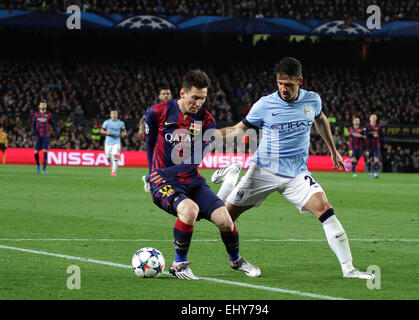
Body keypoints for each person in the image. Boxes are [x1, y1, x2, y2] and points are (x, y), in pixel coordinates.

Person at [211, 57, 374, 280]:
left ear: (300, 81)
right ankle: (235, 257)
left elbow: (321, 119)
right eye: (280, 83)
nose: (284, 89)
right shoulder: (264, 104)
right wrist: (207, 137)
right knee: (224, 218)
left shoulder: (312, 100)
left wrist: (333, 150)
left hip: (296, 173)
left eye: (289, 84)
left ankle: (349, 268)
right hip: (263, 172)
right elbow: (238, 130)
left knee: (325, 209)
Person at [145, 69, 260, 280]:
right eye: (195, 98)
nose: (198, 103)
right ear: (182, 93)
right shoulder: (158, 112)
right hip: (164, 184)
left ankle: (235, 260)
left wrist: (164, 171)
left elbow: (195, 160)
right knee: (190, 210)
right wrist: (152, 173)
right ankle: (179, 264)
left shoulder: (206, 121)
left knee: (225, 220)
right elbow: (150, 141)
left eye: (203, 98)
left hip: (191, 180)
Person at [139, 86, 173, 192]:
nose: (166, 96)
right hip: (154, 141)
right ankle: (153, 183)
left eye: (168, 94)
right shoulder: (154, 108)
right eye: (164, 94)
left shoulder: (175, 108)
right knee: (153, 167)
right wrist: (141, 129)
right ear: (159, 96)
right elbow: (143, 119)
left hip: (168, 141)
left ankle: (148, 178)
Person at [32, 101, 59, 174]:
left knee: (45, 151)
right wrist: (33, 131)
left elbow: (53, 124)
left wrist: (57, 132)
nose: (43, 105)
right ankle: (38, 165)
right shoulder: (36, 114)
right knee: (36, 152)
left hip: (45, 136)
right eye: (41, 104)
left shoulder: (49, 114)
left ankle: (44, 169)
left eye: (44, 104)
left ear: (46, 106)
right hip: (38, 136)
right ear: (39, 106)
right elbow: (33, 124)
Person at [100, 109, 126, 176]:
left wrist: (124, 134)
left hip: (117, 141)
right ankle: (111, 163)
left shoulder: (120, 123)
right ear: (110, 115)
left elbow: (124, 131)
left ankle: (113, 172)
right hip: (108, 141)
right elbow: (101, 130)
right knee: (108, 157)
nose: (114, 115)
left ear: (117, 114)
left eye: (115, 113)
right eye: (112, 113)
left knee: (115, 155)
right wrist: (106, 132)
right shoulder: (107, 122)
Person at [365, 114, 384, 179]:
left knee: (376, 159)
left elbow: (382, 135)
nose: (373, 120)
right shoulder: (367, 126)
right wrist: (372, 134)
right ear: (370, 119)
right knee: (369, 160)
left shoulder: (378, 126)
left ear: (375, 120)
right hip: (369, 146)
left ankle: (376, 173)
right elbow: (365, 134)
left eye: (374, 119)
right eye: (372, 119)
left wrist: (383, 142)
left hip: (376, 145)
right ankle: (369, 173)